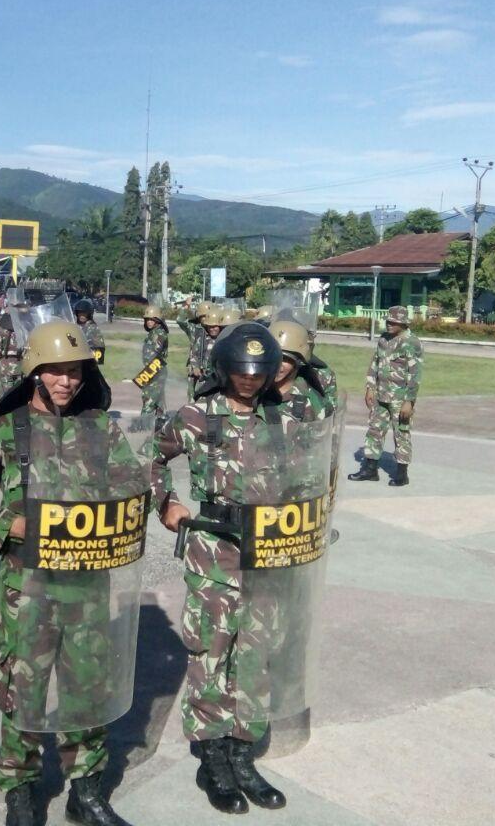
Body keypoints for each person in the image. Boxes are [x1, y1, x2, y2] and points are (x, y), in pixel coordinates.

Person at [0, 320, 139, 826]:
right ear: (34, 372)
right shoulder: (3, 431)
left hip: (87, 586)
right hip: (26, 588)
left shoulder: (102, 428)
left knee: (87, 688)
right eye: (55, 371)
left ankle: (87, 789)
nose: (66, 382)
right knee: (22, 689)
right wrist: (4, 523)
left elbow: (131, 488)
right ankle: (21, 788)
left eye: (75, 372)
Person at [152, 321, 296, 815]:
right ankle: (212, 756)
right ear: (224, 369)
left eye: (258, 372)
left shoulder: (283, 418)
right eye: (240, 371)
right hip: (214, 552)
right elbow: (149, 458)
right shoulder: (197, 415)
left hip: (268, 556)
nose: (249, 381)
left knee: (257, 657)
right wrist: (167, 503)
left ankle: (243, 753)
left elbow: (312, 473)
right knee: (212, 652)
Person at [349, 305, 423, 486]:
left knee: (402, 434)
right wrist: (370, 387)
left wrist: (409, 401)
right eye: (388, 321)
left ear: (403, 324)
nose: (389, 324)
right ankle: (370, 469)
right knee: (374, 430)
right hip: (381, 396)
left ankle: (401, 473)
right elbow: (375, 363)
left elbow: (415, 375)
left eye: (393, 322)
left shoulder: (412, 343)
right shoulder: (383, 339)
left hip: (400, 398)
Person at [267, 320, 335, 421]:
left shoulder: (312, 401)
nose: (278, 365)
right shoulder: (251, 391)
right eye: (272, 357)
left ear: (299, 362)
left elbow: (323, 432)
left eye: (286, 359)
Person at [139, 304, 169, 426]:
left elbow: (153, 352)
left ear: (158, 320)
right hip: (152, 369)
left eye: (152, 319)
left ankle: (143, 424)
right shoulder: (154, 332)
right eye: (147, 320)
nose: (149, 322)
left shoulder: (159, 333)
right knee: (158, 398)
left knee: (149, 398)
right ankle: (161, 420)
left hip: (155, 369)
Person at [0, 311, 23, 394]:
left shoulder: (2, 327)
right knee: (19, 394)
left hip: (4, 367)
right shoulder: (23, 327)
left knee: (7, 395)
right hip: (20, 366)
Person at [73, 298, 105, 363]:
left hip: (87, 362)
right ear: (77, 313)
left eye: (84, 313)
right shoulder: (75, 326)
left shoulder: (93, 328)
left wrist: (92, 363)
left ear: (89, 314)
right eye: (80, 312)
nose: (82, 315)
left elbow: (99, 349)